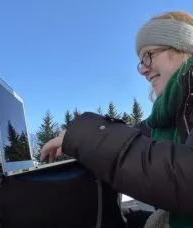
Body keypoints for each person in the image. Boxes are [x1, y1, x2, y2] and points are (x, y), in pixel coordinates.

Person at [41, 10, 193, 228]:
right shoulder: (166, 118)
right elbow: (137, 141)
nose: (143, 70)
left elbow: (184, 177)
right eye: (140, 61)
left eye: (149, 55)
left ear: (182, 46)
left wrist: (87, 137)